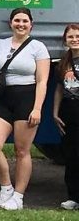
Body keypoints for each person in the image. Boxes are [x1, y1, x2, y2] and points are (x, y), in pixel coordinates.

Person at [0, 7, 50, 211]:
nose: (21, 24)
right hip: (2, 99)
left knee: (22, 150)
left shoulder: (38, 47)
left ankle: (18, 197)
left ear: (31, 25)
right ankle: (6, 189)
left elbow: (42, 81)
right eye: (17, 20)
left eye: (25, 21)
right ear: (11, 23)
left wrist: (37, 108)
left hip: (26, 99)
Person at [53, 24, 79, 210]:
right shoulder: (64, 62)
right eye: (71, 37)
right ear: (65, 40)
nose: (74, 39)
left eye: (78, 36)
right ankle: (73, 196)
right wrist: (55, 112)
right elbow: (60, 88)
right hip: (69, 110)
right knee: (72, 155)